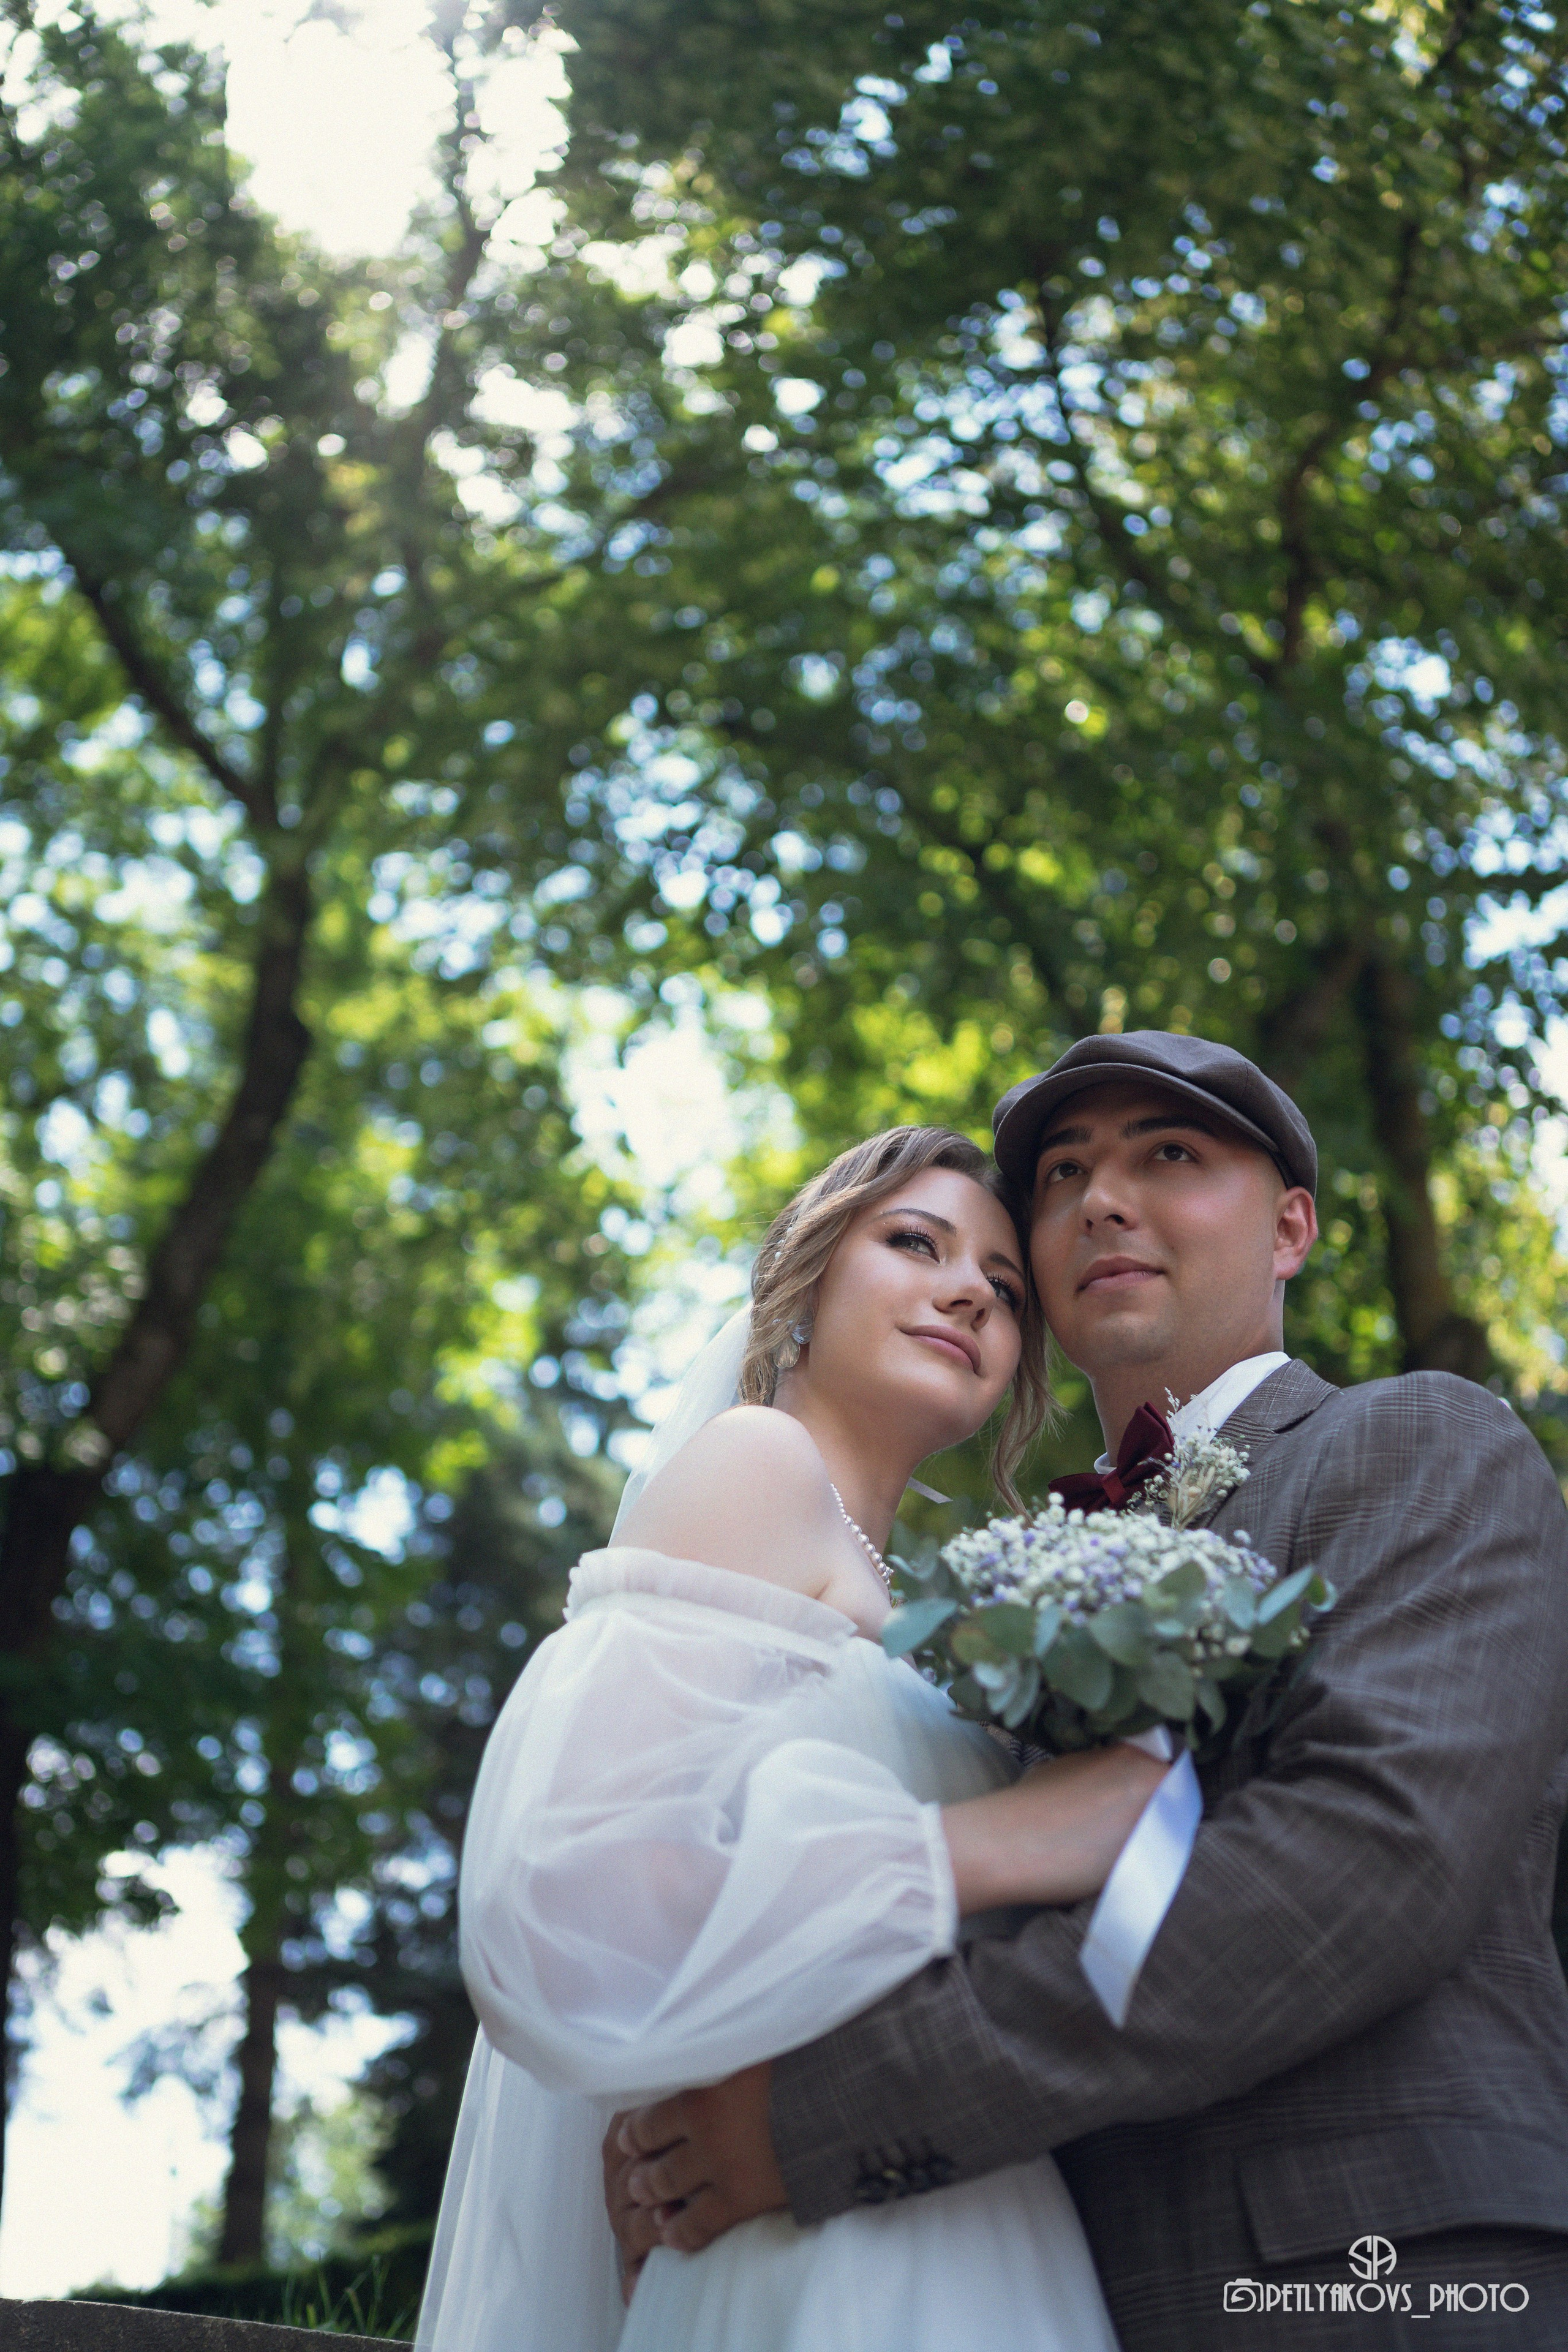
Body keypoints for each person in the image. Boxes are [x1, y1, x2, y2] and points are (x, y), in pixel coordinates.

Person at [608, 1031, 1568, 2350]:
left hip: (1375, 2274)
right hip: (1056, 2289)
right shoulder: (993, 1602)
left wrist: (817, 2118)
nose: (1099, 1199)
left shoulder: (1418, 1442)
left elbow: (1368, 1858)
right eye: (1060, 1175)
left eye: (1166, 1156)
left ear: (1289, 1228)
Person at [415, 1123, 1167, 2352]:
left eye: (1003, 1284)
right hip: (807, 2251)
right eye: (914, 1242)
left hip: (954, 2192)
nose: (968, 1287)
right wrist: (1016, 1842)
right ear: (804, 1285)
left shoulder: (938, 1615)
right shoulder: (754, 1466)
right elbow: (574, 1891)